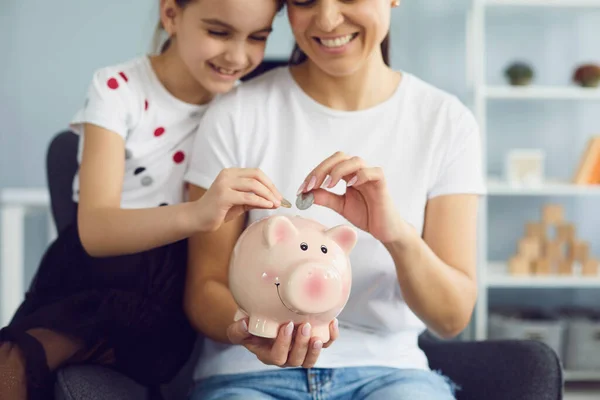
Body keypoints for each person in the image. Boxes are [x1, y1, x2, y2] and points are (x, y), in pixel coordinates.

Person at [183, 0, 486, 399]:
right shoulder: (236, 114)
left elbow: (451, 318)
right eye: (305, 0)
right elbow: (205, 288)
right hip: (247, 374)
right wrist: (250, 327)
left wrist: (395, 234)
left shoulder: (446, 123)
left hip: (391, 374)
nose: (327, 20)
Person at [0, 1, 286, 399]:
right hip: (94, 271)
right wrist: (199, 213)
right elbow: (95, 231)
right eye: (218, 32)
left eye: (258, 37)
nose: (238, 56)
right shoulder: (117, 89)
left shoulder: (241, 108)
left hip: (165, 296)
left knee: (24, 360)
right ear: (170, 15)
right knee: (14, 361)